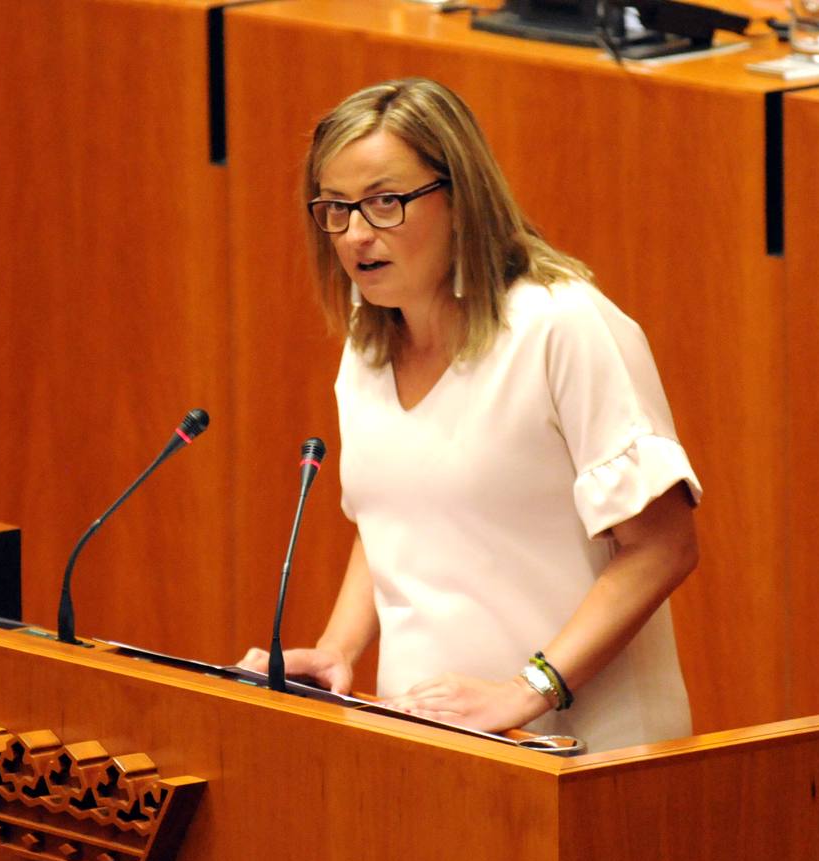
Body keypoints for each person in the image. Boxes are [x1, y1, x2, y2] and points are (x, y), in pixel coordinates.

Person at [239, 78, 701, 752]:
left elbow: (663, 547)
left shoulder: (560, 326)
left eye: (385, 202)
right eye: (335, 209)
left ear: (459, 198)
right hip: (437, 743)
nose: (356, 235)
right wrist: (340, 648)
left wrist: (526, 689)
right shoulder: (368, 346)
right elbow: (394, 515)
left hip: (587, 752)